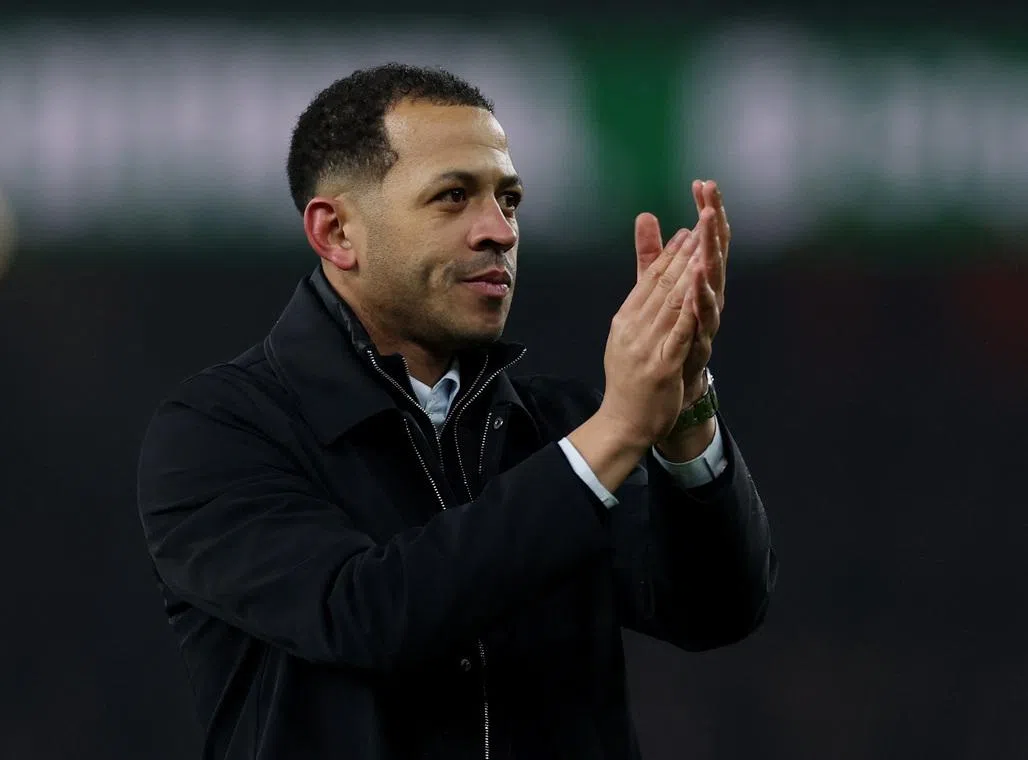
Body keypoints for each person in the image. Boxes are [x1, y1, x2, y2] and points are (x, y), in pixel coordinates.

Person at [136, 63, 777, 760]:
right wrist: (618, 433)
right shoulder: (218, 432)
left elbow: (715, 610)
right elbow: (368, 614)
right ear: (337, 233)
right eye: (452, 197)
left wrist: (684, 416)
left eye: (509, 200)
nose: (498, 231)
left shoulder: (563, 426)